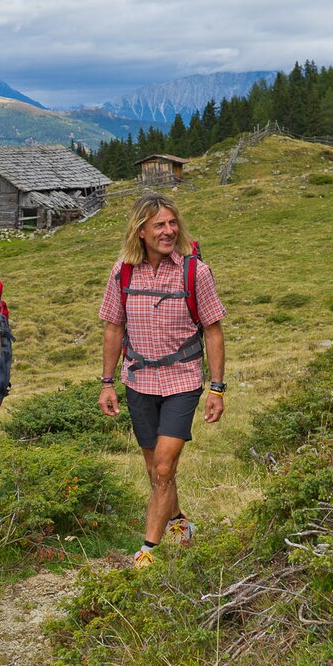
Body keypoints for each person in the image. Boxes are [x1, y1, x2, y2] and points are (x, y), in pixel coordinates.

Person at [98, 192, 226, 568]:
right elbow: (113, 328)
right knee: (155, 470)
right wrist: (107, 383)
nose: (168, 231)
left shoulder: (194, 272)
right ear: (140, 231)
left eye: (172, 223)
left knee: (165, 467)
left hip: (183, 380)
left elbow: (213, 331)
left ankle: (147, 552)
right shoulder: (122, 271)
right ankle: (178, 524)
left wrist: (216, 388)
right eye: (159, 225)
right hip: (138, 381)